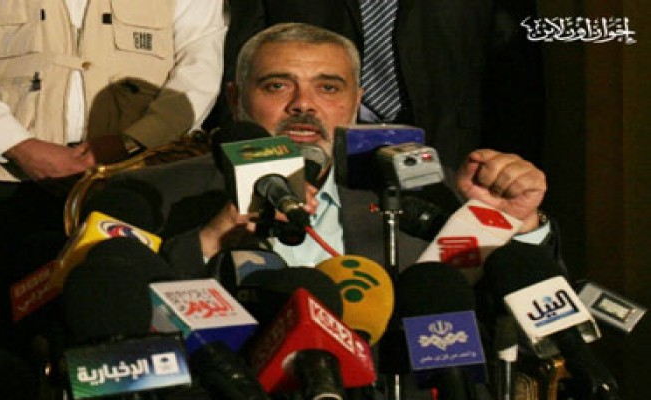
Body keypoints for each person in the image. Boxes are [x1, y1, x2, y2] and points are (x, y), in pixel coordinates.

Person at [80, 22, 552, 399]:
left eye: (328, 87)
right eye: (277, 85)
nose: (303, 105)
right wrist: (210, 240)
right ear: (235, 99)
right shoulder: (151, 194)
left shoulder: (421, 190)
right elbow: (108, 326)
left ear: (355, 104)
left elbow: (519, 325)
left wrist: (513, 223)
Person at [0, 1, 226, 397]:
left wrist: (134, 142)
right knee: (6, 331)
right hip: (3, 174)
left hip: (140, 176)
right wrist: (16, 144)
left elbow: (200, 60)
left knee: (131, 321)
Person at [206, 0, 546, 173]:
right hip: (303, 147)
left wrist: (512, 163)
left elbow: (514, 78)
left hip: (450, 148)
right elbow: (240, 64)